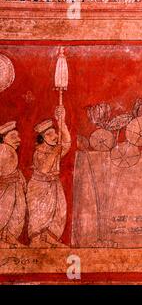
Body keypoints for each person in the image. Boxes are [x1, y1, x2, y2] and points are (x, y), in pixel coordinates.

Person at [27, 106, 71, 248]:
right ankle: (36, 241)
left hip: (54, 184)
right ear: (42, 138)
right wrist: (54, 153)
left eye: (54, 133)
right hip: (40, 186)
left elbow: (67, 143)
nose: (55, 136)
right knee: (40, 213)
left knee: (59, 212)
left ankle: (50, 238)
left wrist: (62, 122)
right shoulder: (39, 153)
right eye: (49, 134)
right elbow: (45, 169)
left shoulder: (54, 149)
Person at [0, 121, 26, 248]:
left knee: (16, 212)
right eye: (13, 137)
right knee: (4, 211)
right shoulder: (3, 149)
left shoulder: (8, 150)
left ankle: (9, 237)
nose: (18, 140)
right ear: (3, 138)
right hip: (5, 189)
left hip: (13, 187)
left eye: (18, 136)